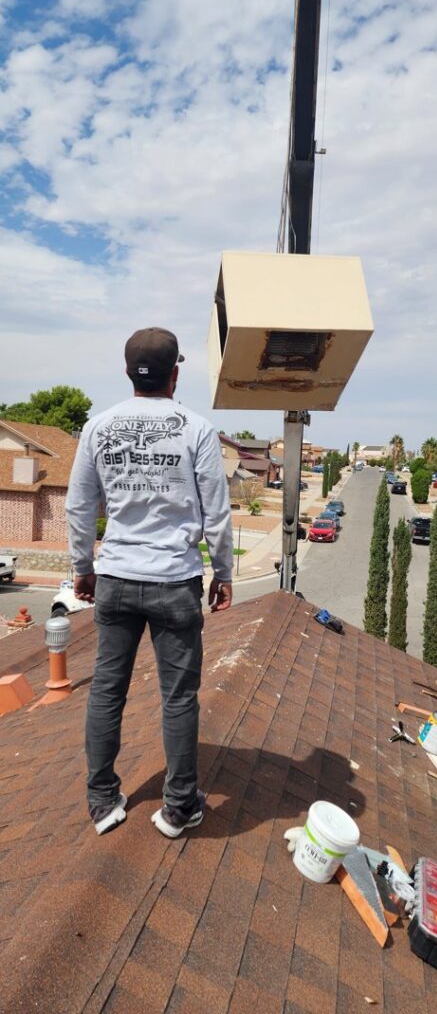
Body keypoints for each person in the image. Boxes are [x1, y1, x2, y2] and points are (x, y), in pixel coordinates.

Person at [65, 327, 233, 837]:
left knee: (106, 692)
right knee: (178, 697)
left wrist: (82, 568)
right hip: (173, 582)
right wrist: (223, 573)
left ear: (126, 372)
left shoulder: (98, 427)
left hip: (115, 577)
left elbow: (79, 507)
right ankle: (179, 806)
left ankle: (101, 801)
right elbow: (217, 513)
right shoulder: (196, 429)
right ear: (175, 373)